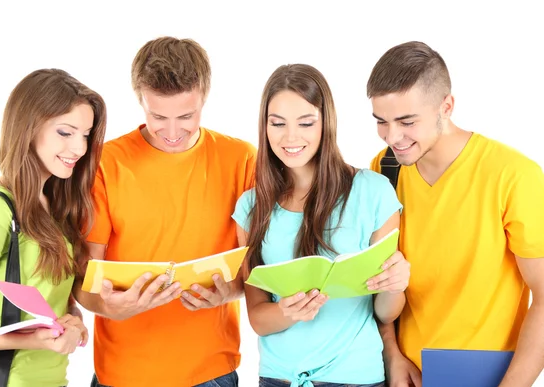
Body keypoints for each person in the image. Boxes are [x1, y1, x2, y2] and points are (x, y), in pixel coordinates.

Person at [72, 36, 257, 387]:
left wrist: (228, 291)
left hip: (210, 372)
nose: (172, 132)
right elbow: (82, 278)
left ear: (205, 97)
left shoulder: (242, 159)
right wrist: (111, 307)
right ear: (140, 100)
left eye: (186, 116)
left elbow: (254, 267)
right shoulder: (104, 163)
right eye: (158, 116)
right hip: (122, 374)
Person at [368, 41, 544, 387]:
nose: (393, 137)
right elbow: (376, 278)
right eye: (381, 122)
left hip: (487, 378)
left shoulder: (513, 176)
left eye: (407, 121)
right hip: (405, 376)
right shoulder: (384, 168)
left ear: (446, 106)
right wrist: (391, 353)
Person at [231, 63, 410, 387]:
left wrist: (396, 282)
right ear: (265, 126)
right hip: (278, 378)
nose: (291, 137)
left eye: (306, 122)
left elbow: (386, 313)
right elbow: (257, 316)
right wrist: (288, 312)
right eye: (278, 123)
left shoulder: (373, 192)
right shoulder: (251, 207)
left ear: (325, 123)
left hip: (356, 377)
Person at [0, 68, 107, 386]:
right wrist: (33, 340)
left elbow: (56, 301)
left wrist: (74, 322)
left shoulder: (56, 208)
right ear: (28, 127)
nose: (79, 148)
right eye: (65, 132)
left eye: (85, 135)